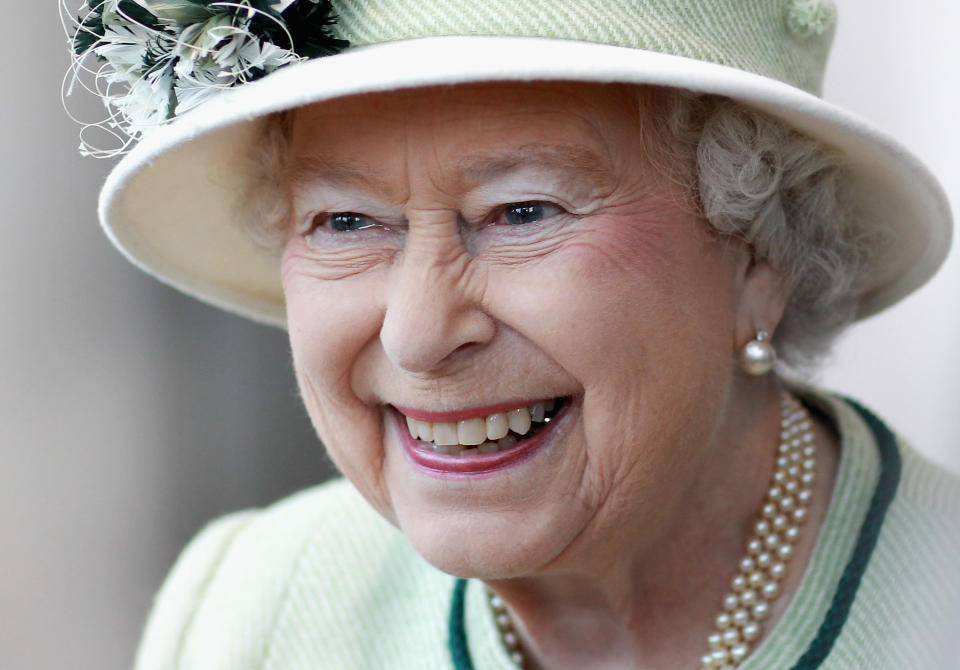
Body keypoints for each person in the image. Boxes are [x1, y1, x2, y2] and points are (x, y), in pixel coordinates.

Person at [66, 1, 959, 668]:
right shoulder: (252, 610)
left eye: (521, 211)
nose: (418, 335)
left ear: (762, 253)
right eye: (345, 222)